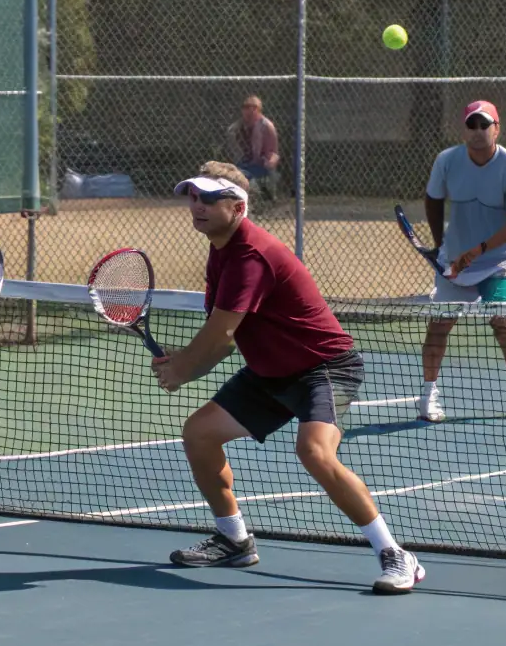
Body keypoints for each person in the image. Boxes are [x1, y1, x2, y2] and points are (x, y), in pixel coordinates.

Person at [153, 161, 424, 594]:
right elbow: (223, 329)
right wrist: (184, 358)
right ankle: (234, 539)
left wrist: (182, 370)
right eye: (192, 196)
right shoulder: (221, 249)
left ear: (238, 207)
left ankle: (395, 554)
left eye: (208, 198)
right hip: (270, 373)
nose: (196, 206)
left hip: (325, 366)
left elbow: (222, 338)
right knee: (199, 433)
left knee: (314, 451)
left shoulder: (250, 254)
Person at [418, 100, 506, 424]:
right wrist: (442, 246)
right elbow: (433, 198)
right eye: (473, 124)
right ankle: (428, 395)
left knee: (501, 321)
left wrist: (478, 250)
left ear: (497, 128)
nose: (479, 131)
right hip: (457, 260)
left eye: (486, 124)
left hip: (503, 259)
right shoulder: (447, 161)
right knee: (440, 324)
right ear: (464, 129)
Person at [226, 96, 280, 187]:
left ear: (258, 109)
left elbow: (274, 153)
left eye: (252, 107)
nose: (247, 111)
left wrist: (269, 162)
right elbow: (231, 136)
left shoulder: (266, 126)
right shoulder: (239, 126)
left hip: (261, 164)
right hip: (244, 162)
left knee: (244, 178)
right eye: (245, 107)